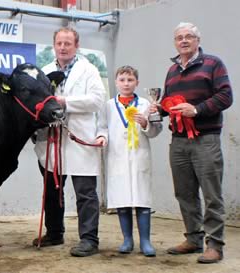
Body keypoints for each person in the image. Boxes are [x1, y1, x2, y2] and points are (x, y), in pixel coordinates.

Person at [150, 22, 233, 263]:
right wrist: (158, 108)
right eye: (179, 38)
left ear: (197, 40)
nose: (183, 41)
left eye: (188, 37)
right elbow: (169, 103)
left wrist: (196, 109)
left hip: (205, 139)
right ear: (175, 42)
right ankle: (193, 238)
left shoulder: (213, 64)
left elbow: (226, 96)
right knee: (184, 193)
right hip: (178, 141)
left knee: (211, 194)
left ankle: (215, 245)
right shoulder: (172, 71)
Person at [33, 26, 106, 257]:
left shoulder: (89, 70)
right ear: (53, 46)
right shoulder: (43, 71)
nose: (63, 47)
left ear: (76, 46)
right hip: (51, 138)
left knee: (85, 192)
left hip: (79, 137)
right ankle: (54, 233)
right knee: (52, 190)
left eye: (68, 43)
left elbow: (97, 100)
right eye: (59, 43)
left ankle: (89, 239)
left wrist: (65, 102)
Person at [98, 65, 162, 257]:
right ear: (116, 82)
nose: (126, 84)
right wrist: (102, 138)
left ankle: (145, 241)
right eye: (122, 80)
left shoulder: (146, 104)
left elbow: (156, 130)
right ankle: (127, 239)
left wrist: (145, 123)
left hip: (139, 156)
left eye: (130, 80)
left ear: (137, 83)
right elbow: (102, 127)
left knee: (142, 199)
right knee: (122, 199)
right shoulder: (108, 106)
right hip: (117, 157)